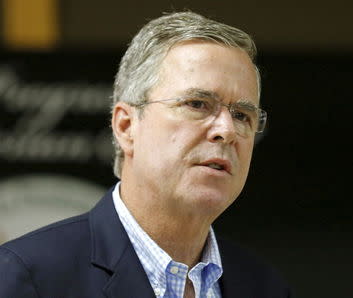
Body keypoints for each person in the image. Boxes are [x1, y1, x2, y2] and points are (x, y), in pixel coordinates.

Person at [0, 11, 291, 298]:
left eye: (242, 115)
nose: (226, 130)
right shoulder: (30, 277)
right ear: (126, 126)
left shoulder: (265, 287)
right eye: (197, 104)